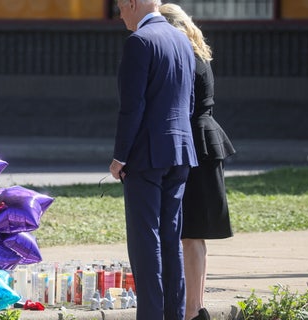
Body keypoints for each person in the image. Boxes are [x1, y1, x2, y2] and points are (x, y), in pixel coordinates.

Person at [109, 0, 198, 319]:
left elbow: (132, 108)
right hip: (180, 151)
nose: (119, 14)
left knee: (145, 242)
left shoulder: (139, 42)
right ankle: (174, 313)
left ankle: (151, 314)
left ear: (133, 3)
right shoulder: (181, 38)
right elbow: (188, 102)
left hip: (146, 154)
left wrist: (120, 156)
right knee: (170, 238)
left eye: (120, 6)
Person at [159, 4, 236, 320]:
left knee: (189, 232)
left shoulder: (183, 57)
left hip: (194, 144)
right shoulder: (198, 52)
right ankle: (195, 307)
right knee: (194, 233)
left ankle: (192, 310)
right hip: (205, 142)